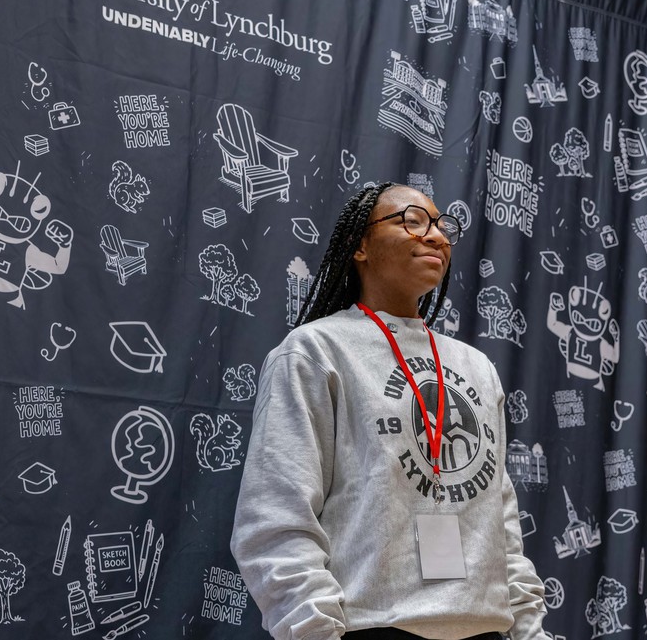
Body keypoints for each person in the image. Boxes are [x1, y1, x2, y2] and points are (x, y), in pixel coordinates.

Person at [230, 183, 547, 640]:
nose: (435, 236)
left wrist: (529, 631)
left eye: (442, 226)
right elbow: (276, 517)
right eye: (412, 221)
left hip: (485, 629)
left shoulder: (476, 366)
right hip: (371, 626)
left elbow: (502, 523)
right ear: (360, 245)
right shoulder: (316, 351)